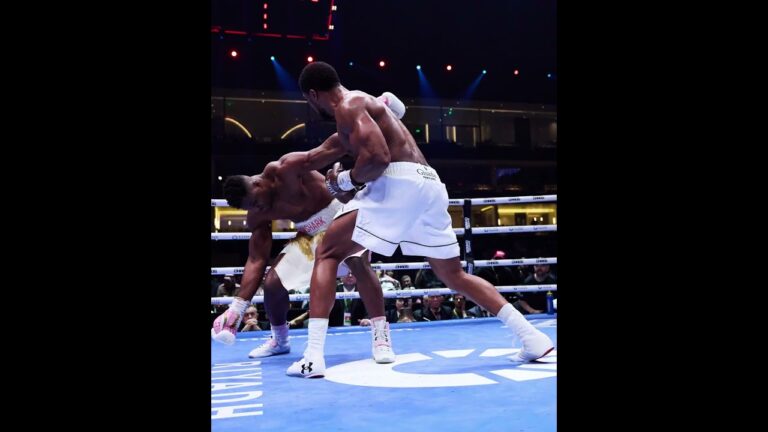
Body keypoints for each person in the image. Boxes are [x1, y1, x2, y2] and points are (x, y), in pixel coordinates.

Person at [283, 61, 553, 378]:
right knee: (454, 275)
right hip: (429, 183)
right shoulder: (364, 105)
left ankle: (312, 356)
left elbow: (379, 159)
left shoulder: (348, 104)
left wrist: (345, 182)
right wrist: (338, 180)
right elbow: (334, 152)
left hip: (398, 183)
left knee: (327, 252)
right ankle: (532, 338)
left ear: (313, 94)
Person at [211, 89, 406, 362]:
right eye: (251, 209)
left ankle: (381, 336)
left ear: (257, 183)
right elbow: (257, 258)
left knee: (359, 264)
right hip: (310, 235)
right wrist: (238, 306)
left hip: (341, 214)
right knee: (273, 284)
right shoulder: (258, 216)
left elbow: (335, 146)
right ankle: (280, 340)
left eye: (255, 202)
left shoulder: (287, 168)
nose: (258, 210)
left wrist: (376, 116)